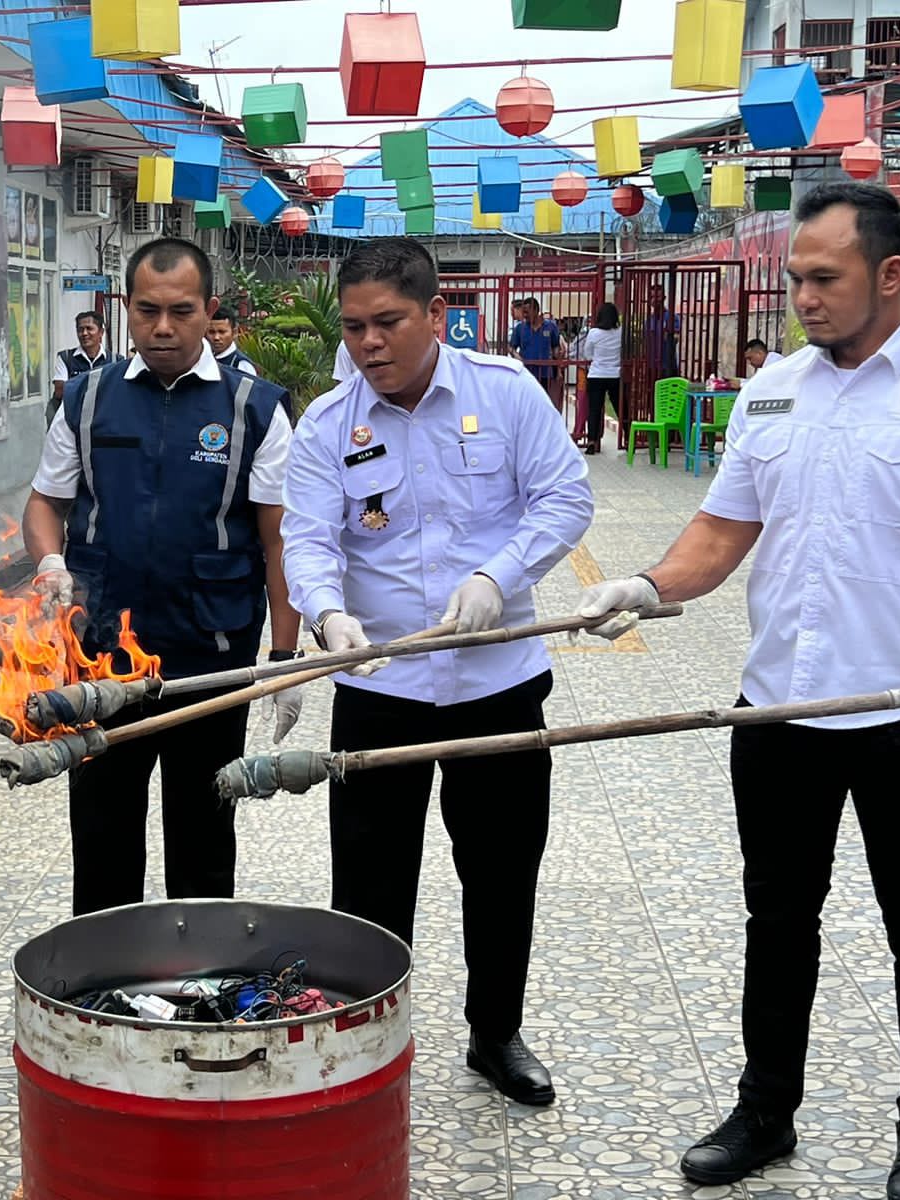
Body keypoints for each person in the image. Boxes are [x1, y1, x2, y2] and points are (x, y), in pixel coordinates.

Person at [575, 183, 900, 1198]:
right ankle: (763, 1112)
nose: (804, 299)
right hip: (778, 710)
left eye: (824, 279)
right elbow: (721, 534)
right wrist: (644, 585)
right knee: (777, 920)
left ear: (893, 277)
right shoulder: (775, 388)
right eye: (794, 280)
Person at [281, 237, 593, 1108]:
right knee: (371, 879)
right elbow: (307, 537)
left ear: (436, 318)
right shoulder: (327, 423)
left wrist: (501, 576)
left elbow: (565, 497)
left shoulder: (504, 392)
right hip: (378, 688)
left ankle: (495, 1032)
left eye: (387, 324)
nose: (368, 344)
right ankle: (371, 1036)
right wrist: (326, 611)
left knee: (500, 867)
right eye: (353, 328)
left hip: (498, 682)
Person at [22, 237, 302, 916]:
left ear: (210, 311)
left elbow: (279, 539)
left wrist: (284, 658)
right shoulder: (87, 400)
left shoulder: (253, 408)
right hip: (99, 656)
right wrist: (50, 561)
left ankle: (199, 981)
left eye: (181, 310)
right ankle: (101, 983)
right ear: (126, 308)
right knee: (100, 826)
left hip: (212, 651)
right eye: (147, 311)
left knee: (204, 827)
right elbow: (45, 503)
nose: (164, 328)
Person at [575, 302, 621, 455]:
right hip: (615, 375)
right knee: (620, 407)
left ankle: (592, 441)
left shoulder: (594, 333)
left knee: (594, 410)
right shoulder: (620, 332)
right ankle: (628, 437)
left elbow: (587, 354)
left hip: (596, 374)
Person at [48, 310, 109, 425]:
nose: (84, 333)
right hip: (71, 422)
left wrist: (75, 385)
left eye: (89, 328)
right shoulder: (65, 358)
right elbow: (60, 391)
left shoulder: (115, 360)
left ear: (101, 332)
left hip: (104, 422)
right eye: (80, 330)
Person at [510, 298, 564, 408]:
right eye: (523, 312)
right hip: (526, 372)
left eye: (527, 312)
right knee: (527, 403)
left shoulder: (550, 326)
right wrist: (516, 355)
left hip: (545, 372)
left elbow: (555, 347)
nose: (524, 315)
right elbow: (511, 347)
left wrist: (558, 369)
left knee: (544, 403)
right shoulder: (520, 328)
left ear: (536, 310)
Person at [644, 281, 681, 377]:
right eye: (651, 297)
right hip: (651, 366)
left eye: (657, 297)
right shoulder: (648, 320)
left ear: (664, 298)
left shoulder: (672, 317)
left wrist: (669, 334)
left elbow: (674, 339)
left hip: (668, 366)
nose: (654, 300)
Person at [205, 309, 257, 375]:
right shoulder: (205, 359)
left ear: (234, 333)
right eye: (211, 332)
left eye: (222, 332)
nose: (216, 337)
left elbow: (247, 385)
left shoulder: (241, 364)